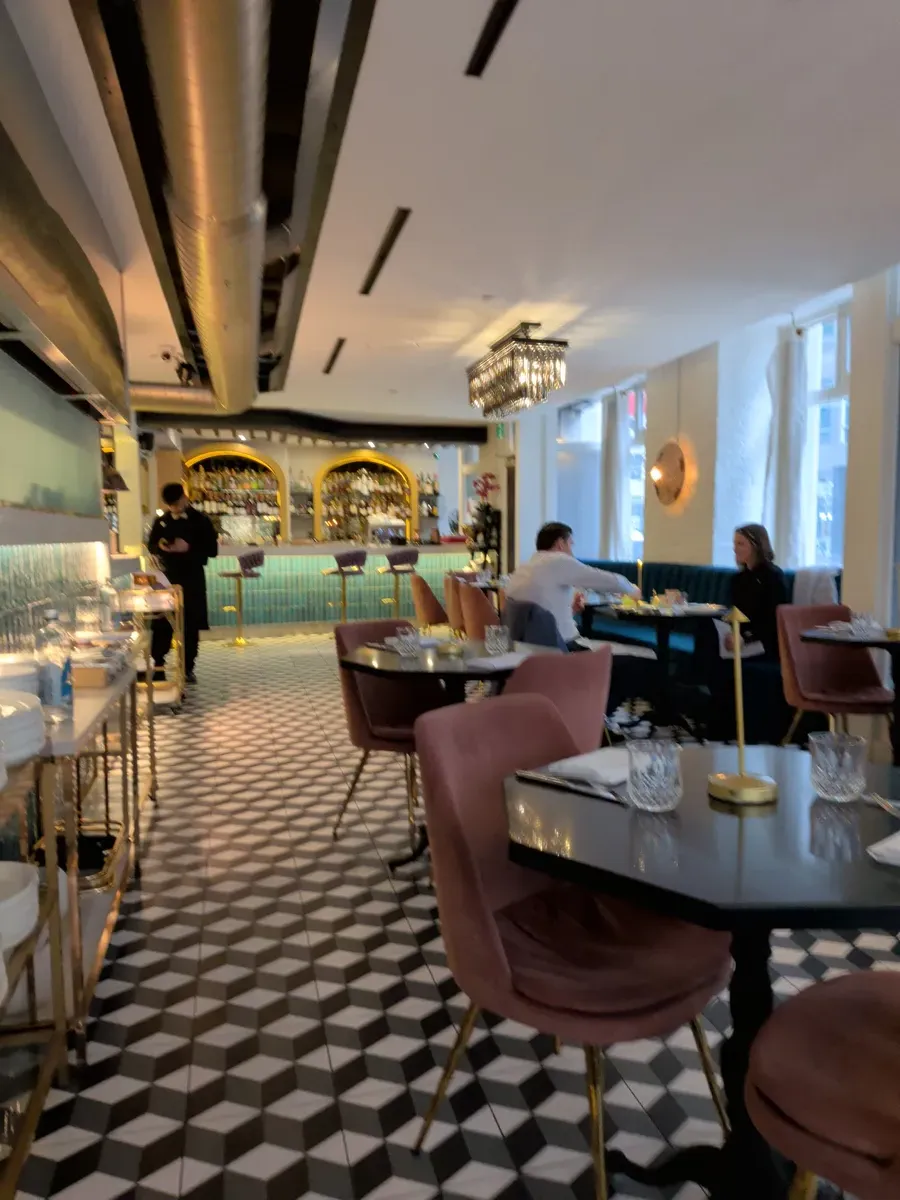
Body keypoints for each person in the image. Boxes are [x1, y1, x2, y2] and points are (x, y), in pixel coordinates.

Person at [505, 522, 641, 651]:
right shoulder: (558, 560)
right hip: (566, 648)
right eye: (570, 544)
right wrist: (632, 589)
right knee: (645, 653)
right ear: (560, 544)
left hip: (531, 652)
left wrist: (571, 610)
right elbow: (603, 580)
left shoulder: (524, 568)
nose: (572, 551)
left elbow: (538, 619)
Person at [147, 482, 218, 684]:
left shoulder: (201, 520)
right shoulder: (161, 521)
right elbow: (151, 544)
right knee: (161, 624)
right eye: (171, 506)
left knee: (190, 625)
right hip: (166, 579)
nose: (175, 509)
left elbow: (212, 550)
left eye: (177, 504)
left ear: (185, 498)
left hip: (191, 579)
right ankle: (158, 667)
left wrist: (188, 548)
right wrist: (160, 546)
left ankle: (187, 669)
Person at [728, 523, 788, 659]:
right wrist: (732, 633)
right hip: (741, 637)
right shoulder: (738, 579)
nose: (735, 549)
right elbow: (735, 612)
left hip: (763, 641)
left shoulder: (773, 576)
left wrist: (746, 637)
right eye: (734, 544)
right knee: (707, 632)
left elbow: (772, 620)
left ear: (756, 546)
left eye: (740, 544)